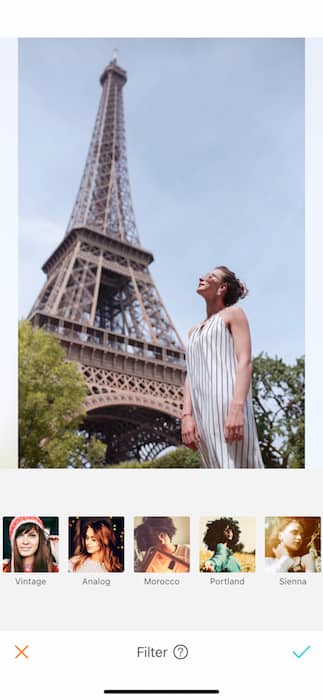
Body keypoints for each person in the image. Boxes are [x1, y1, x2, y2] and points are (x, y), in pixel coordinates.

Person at [182, 265, 264, 468]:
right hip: (202, 411)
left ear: (222, 288)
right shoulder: (193, 331)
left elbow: (245, 361)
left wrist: (237, 409)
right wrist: (186, 416)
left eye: (211, 276)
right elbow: (191, 375)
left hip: (227, 403)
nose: (202, 277)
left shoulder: (233, 314)